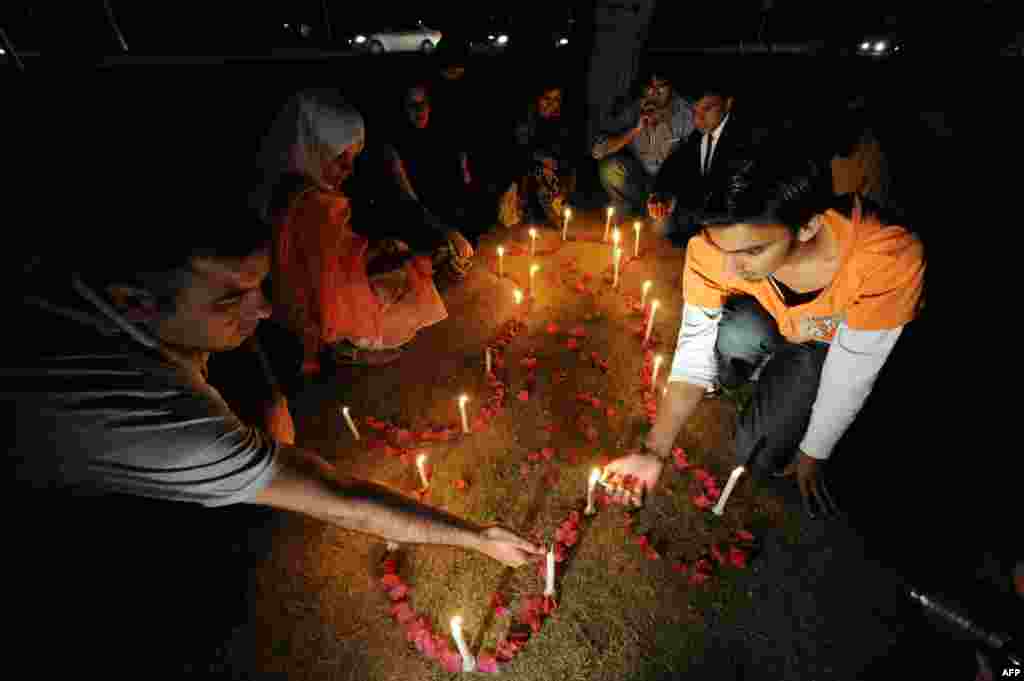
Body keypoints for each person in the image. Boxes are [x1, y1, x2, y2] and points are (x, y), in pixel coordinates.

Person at [603, 154, 925, 517]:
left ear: (807, 227)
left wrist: (813, 452)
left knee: (755, 454)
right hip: (770, 312)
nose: (728, 268)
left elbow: (852, 373)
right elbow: (694, 352)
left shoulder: (887, 259)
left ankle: (788, 377)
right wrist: (655, 450)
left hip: (826, 343)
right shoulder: (714, 247)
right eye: (721, 246)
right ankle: (762, 364)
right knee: (730, 343)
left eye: (752, 251)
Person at [252, 89, 454, 372]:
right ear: (311, 148)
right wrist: (391, 257)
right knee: (403, 267)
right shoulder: (315, 204)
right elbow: (331, 272)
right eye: (338, 157)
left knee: (398, 254)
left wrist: (378, 249)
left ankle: (349, 340)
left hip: (313, 297)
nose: (348, 168)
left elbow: (337, 253)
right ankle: (352, 341)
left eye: (353, 157)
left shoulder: (291, 190)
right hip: (320, 305)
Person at [648, 84, 761, 245]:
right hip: (698, 217)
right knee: (658, 224)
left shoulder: (745, 137)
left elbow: (739, 196)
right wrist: (659, 193)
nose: (699, 119)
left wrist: (690, 209)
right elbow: (674, 163)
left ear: (728, 104)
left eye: (707, 109)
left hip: (732, 221)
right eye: (695, 111)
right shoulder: (699, 134)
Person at [592, 69, 694, 221]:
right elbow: (597, 151)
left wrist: (666, 122)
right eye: (650, 87)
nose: (655, 93)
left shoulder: (685, 112)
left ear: (671, 87)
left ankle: (656, 214)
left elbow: (693, 160)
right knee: (610, 167)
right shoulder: (633, 110)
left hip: (668, 185)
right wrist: (635, 130)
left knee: (661, 230)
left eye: (661, 87)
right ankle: (628, 207)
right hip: (639, 179)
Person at [512, 80, 576, 228]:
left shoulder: (562, 124)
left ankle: (553, 204)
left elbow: (568, 158)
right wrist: (539, 160)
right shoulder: (526, 120)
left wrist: (563, 186)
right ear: (537, 98)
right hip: (528, 176)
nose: (551, 104)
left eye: (556, 100)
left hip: (551, 179)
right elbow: (518, 153)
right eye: (546, 98)